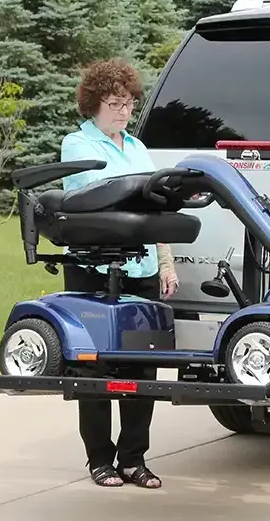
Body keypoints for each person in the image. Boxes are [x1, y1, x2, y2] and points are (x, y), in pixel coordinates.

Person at [59, 58, 179, 489]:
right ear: (94, 104)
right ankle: (99, 459)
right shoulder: (77, 145)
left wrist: (165, 261)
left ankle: (133, 459)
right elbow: (95, 198)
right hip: (94, 269)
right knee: (94, 367)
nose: (124, 112)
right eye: (114, 104)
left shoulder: (137, 148)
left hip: (140, 268)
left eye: (129, 104)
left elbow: (155, 210)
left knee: (143, 366)